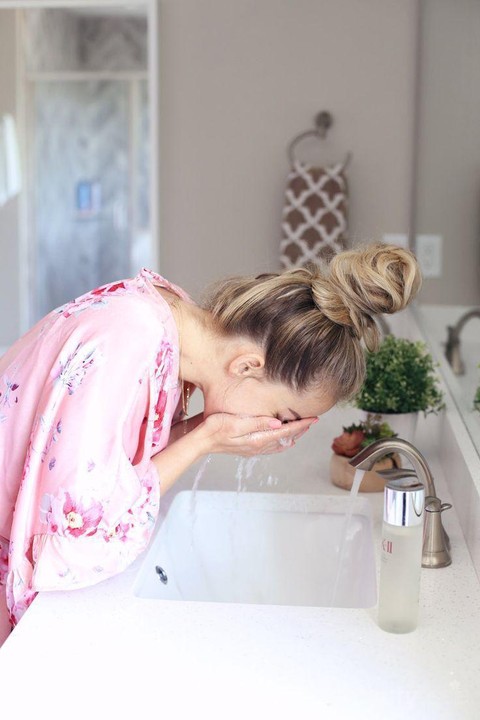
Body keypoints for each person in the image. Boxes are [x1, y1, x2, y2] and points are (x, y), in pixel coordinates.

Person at [0, 242, 421, 638]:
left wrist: (208, 431)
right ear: (247, 366)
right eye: (283, 416)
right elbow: (81, 532)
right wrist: (205, 438)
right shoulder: (130, 336)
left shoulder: (168, 325)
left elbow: (118, 465)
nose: (275, 429)